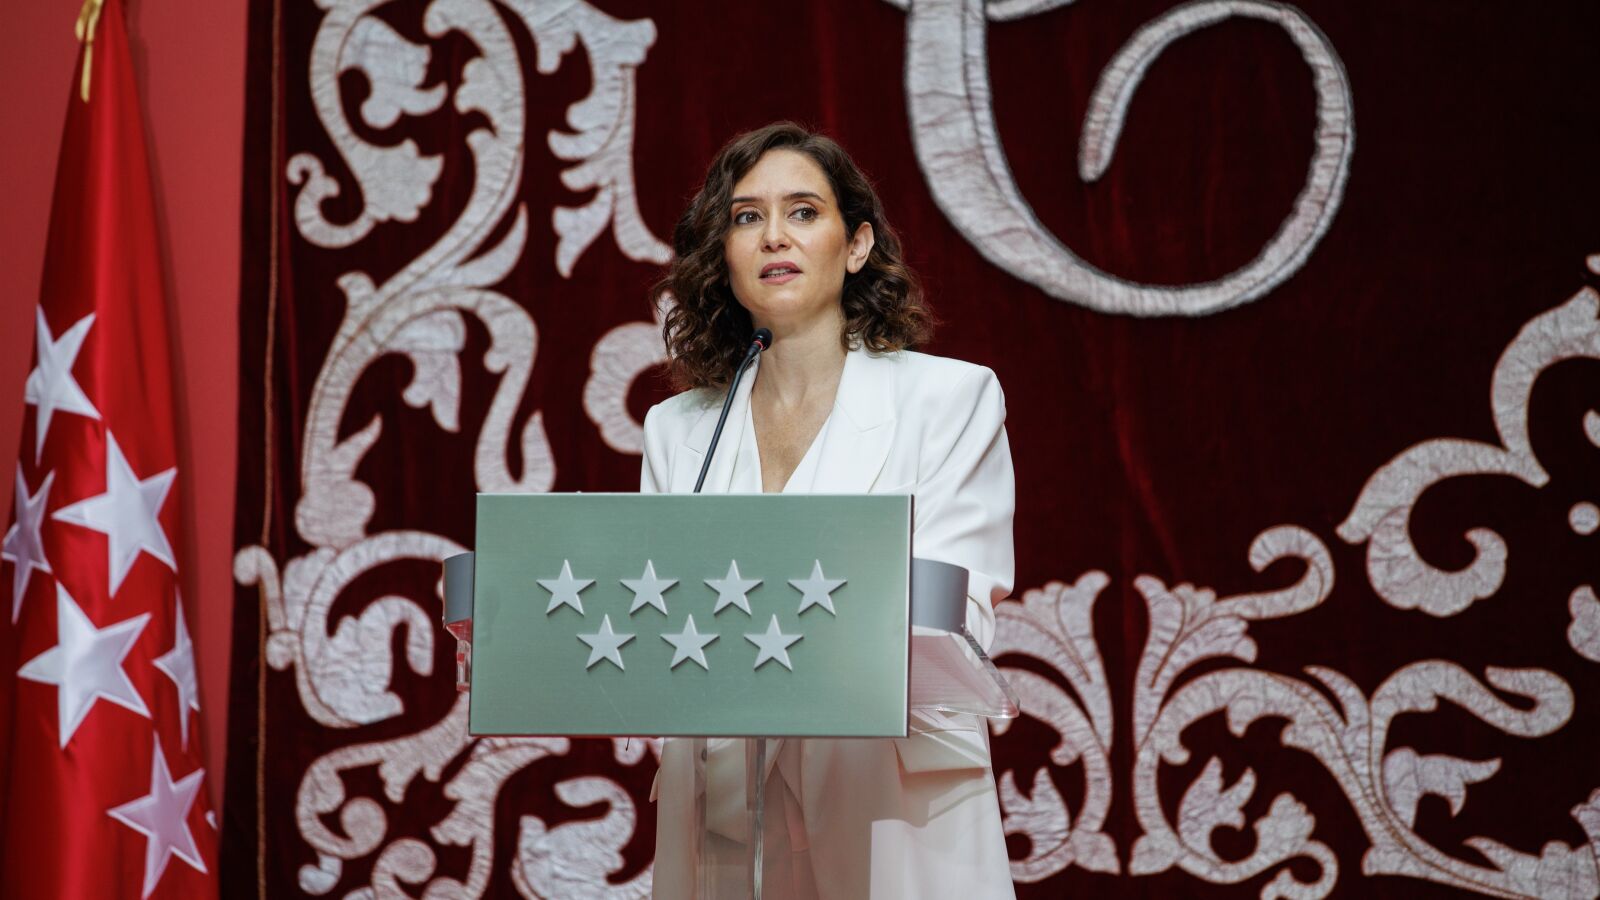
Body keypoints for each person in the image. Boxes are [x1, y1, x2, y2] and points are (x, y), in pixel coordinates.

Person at [639, 121, 1016, 900]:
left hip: (889, 799)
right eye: (747, 217)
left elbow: (959, 615)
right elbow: (656, 622)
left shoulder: (949, 399)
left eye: (804, 212)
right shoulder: (677, 430)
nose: (774, 235)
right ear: (725, 255)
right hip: (727, 808)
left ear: (856, 245)